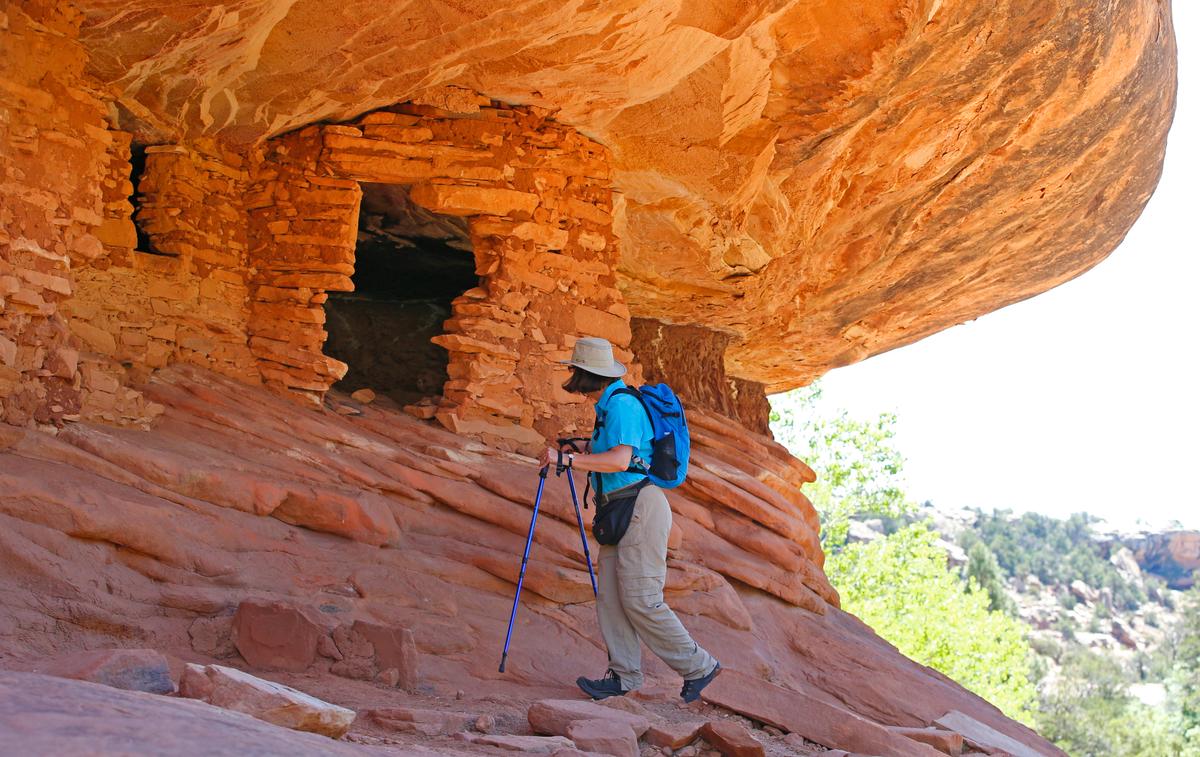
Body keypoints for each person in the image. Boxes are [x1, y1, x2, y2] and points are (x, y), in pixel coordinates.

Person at [538, 336, 721, 703]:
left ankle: (699, 666)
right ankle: (623, 676)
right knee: (611, 598)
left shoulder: (622, 405)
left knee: (640, 598)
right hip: (618, 509)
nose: (572, 376)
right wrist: (582, 447)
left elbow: (621, 461)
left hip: (639, 508)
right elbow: (621, 454)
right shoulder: (610, 406)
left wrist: (569, 462)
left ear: (591, 375)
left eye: (576, 370)